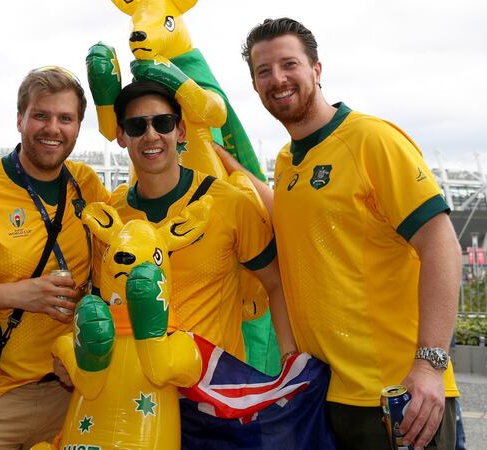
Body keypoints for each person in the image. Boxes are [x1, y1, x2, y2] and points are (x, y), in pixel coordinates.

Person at [226, 18, 461, 450]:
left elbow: (441, 243)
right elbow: (289, 215)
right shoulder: (286, 161)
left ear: (316, 69)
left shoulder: (371, 140)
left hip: (399, 396)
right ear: (256, 87)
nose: (277, 79)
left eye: (288, 64)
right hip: (327, 395)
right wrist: (220, 159)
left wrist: (430, 364)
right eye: (263, 71)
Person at [0, 66, 109, 450]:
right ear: (20, 120)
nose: (53, 128)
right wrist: (19, 294)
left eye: (66, 118)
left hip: (71, 394)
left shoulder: (88, 186)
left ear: (78, 126)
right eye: (41, 116)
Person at [108, 80, 296, 371]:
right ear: (121, 135)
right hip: (144, 394)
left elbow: (275, 282)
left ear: (180, 130)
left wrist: (289, 361)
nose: (151, 135)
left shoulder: (228, 202)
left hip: (215, 393)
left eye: (163, 123)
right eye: (136, 126)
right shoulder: (115, 214)